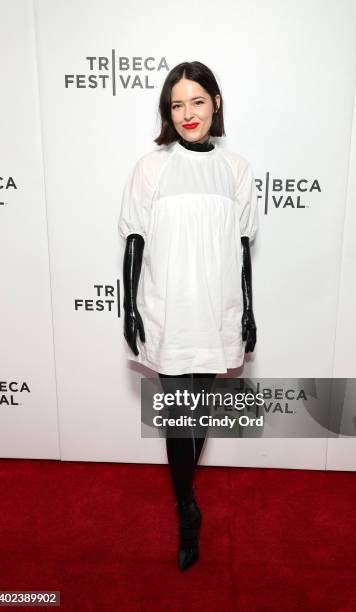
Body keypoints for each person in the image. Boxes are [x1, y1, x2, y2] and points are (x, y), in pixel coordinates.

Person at [118, 61, 259, 571]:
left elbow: (242, 247)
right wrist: (128, 307)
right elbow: (134, 238)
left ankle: (185, 498)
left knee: (196, 414)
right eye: (177, 104)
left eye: (197, 101)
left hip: (217, 307)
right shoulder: (150, 168)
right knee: (180, 418)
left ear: (215, 103)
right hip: (169, 309)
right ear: (167, 112)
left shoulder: (237, 168)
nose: (187, 113)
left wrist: (248, 310)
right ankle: (186, 511)